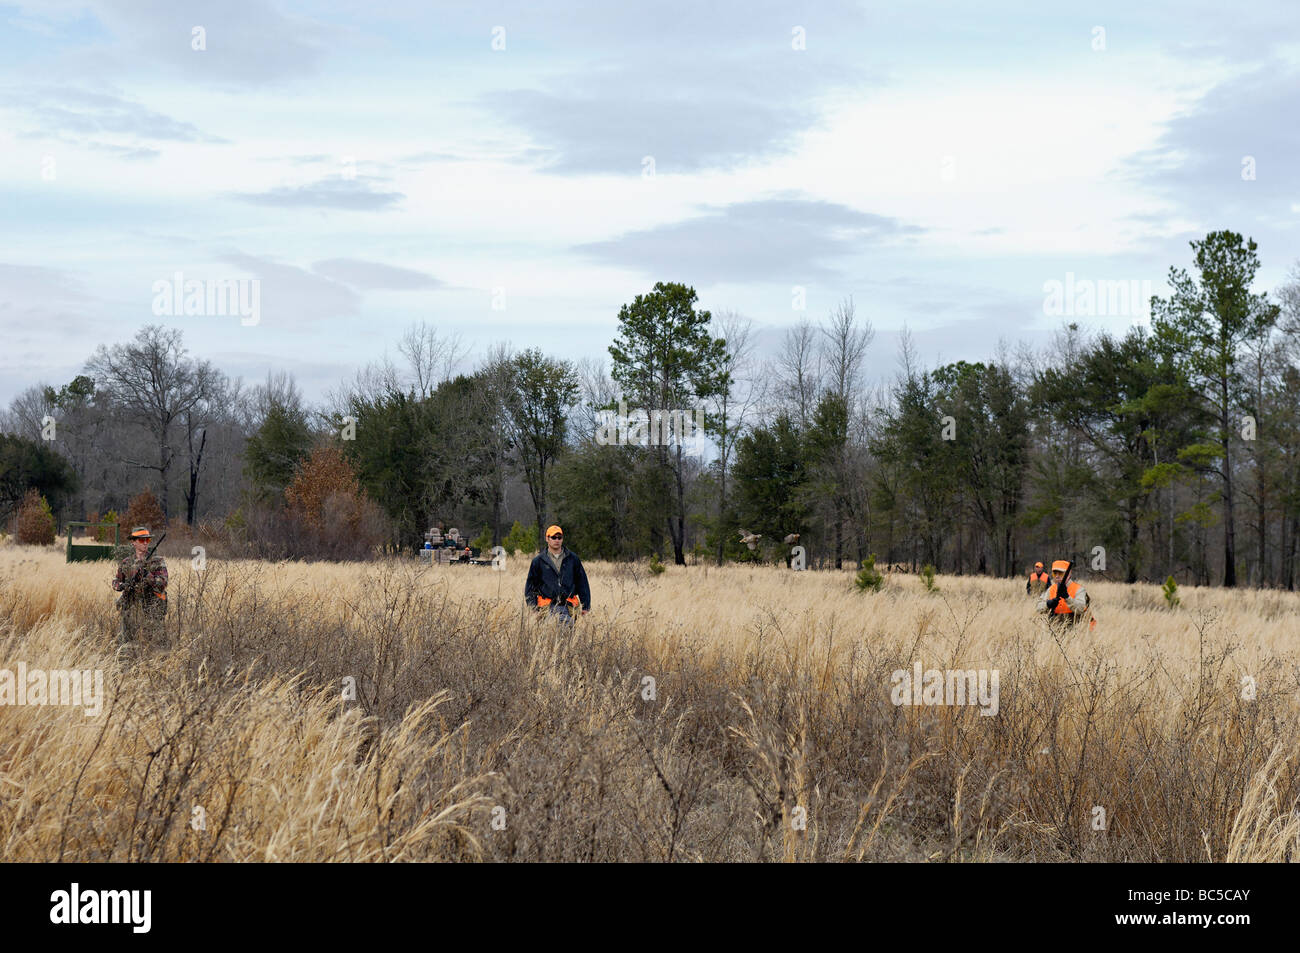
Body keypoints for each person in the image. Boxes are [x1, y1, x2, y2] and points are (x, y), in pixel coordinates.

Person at [111, 526, 168, 653]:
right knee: (126, 643)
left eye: (147, 540)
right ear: (134, 542)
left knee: (155, 645)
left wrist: (148, 575)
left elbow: (163, 583)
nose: (146, 543)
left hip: (151, 609)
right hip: (130, 609)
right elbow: (115, 581)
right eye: (142, 540)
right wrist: (122, 586)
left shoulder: (157, 561)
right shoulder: (126, 562)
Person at [525, 524, 590, 623]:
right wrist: (534, 608)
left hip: (569, 607)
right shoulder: (538, 561)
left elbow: (582, 583)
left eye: (559, 537)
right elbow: (530, 587)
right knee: (548, 634)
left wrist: (585, 606)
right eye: (553, 537)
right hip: (546, 608)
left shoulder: (573, 558)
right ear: (547, 538)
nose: (557, 540)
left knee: (569, 633)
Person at [1038, 559, 1087, 625]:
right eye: (1055, 573)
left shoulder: (1079, 589)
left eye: (1060, 573)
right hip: (1054, 630)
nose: (1057, 576)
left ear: (1069, 574)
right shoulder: (1051, 589)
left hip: (1074, 631)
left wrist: (1067, 598)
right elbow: (1038, 608)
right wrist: (1048, 604)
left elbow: (1081, 609)